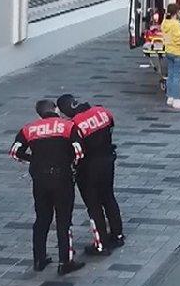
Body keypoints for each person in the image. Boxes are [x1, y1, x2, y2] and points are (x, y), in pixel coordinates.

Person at [10, 100, 86, 276]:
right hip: (62, 178)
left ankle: (39, 259)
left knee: (42, 219)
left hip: (40, 179)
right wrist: (70, 163)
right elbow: (79, 151)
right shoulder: (67, 126)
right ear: (55, 109)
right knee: (63, 220)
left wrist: (33, 160)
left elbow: (15, 152)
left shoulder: (29, 129)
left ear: (39, 113)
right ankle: (64, 261)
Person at [57, 94, 124, 256]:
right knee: (109, 198)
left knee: (93, 205)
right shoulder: (102, 112)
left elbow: (76, 150)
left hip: (88, 168)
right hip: (108, 160)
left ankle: (101, 244)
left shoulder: (75, 125)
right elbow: (111, 128)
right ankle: (118, 234)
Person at [161, 4, 180, 109]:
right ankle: (177, 100)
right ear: (177, 12)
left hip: (169, 51)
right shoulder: (176, 24)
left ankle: (170, 97)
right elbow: (178, 40)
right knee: (177, 77)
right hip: (179, 52)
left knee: (171, 75)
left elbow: (168, 38)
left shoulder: (165, 23)